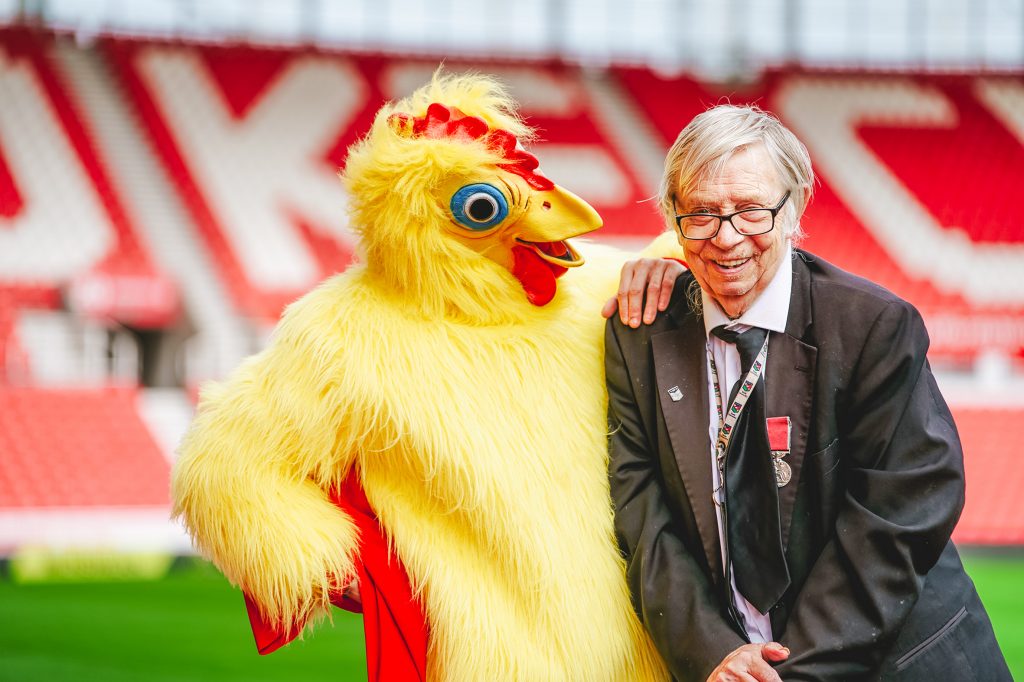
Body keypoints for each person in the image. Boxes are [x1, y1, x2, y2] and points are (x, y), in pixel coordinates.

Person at [602, 103, 1010, 681]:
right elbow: (642, 513)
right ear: (672, 217)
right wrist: (714, 654)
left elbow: (900, 515)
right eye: (701, 214)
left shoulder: (872, 326)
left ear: (793, 210)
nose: (726, 238)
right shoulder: (640, 334)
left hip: (896, 664)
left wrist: (784, 675)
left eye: (750, 211)